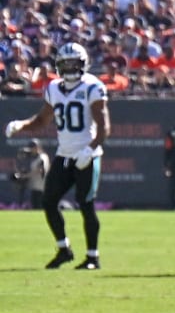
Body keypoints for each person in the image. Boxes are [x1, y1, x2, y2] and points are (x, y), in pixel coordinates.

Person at [5, 42, 110, 270]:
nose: (70, 68)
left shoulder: (93, 87)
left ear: (84, 64)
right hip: (65, 155)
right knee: (49, 200)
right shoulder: (53, 87)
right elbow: (43, 120)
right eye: (66, 64)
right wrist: (21, 125)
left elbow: (104, 127)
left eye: (74, 64)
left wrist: (90, 150)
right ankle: (64, 249)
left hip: (86, 154)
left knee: (86, 204)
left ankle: (93, 257)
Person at [12, 139, 50, 209]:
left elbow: (40, 170)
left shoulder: (43, 157)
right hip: (34, 187)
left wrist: (25, 176)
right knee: (35, 207)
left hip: (41, 188)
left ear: (38, 147)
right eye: (31, 148)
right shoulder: (33, 157)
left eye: (33, 148)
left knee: (39, 208)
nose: (32, 150)